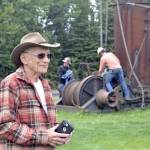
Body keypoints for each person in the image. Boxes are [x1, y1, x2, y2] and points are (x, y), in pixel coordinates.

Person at [0, 32, 72, 149]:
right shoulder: (11, 83)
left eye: (49, 56)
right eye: (41, 55)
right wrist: (44, 136)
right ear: (24, 59)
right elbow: (4, 126)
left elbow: (49, 123)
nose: (46, 60)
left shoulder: (45, 85)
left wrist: (59, 133)